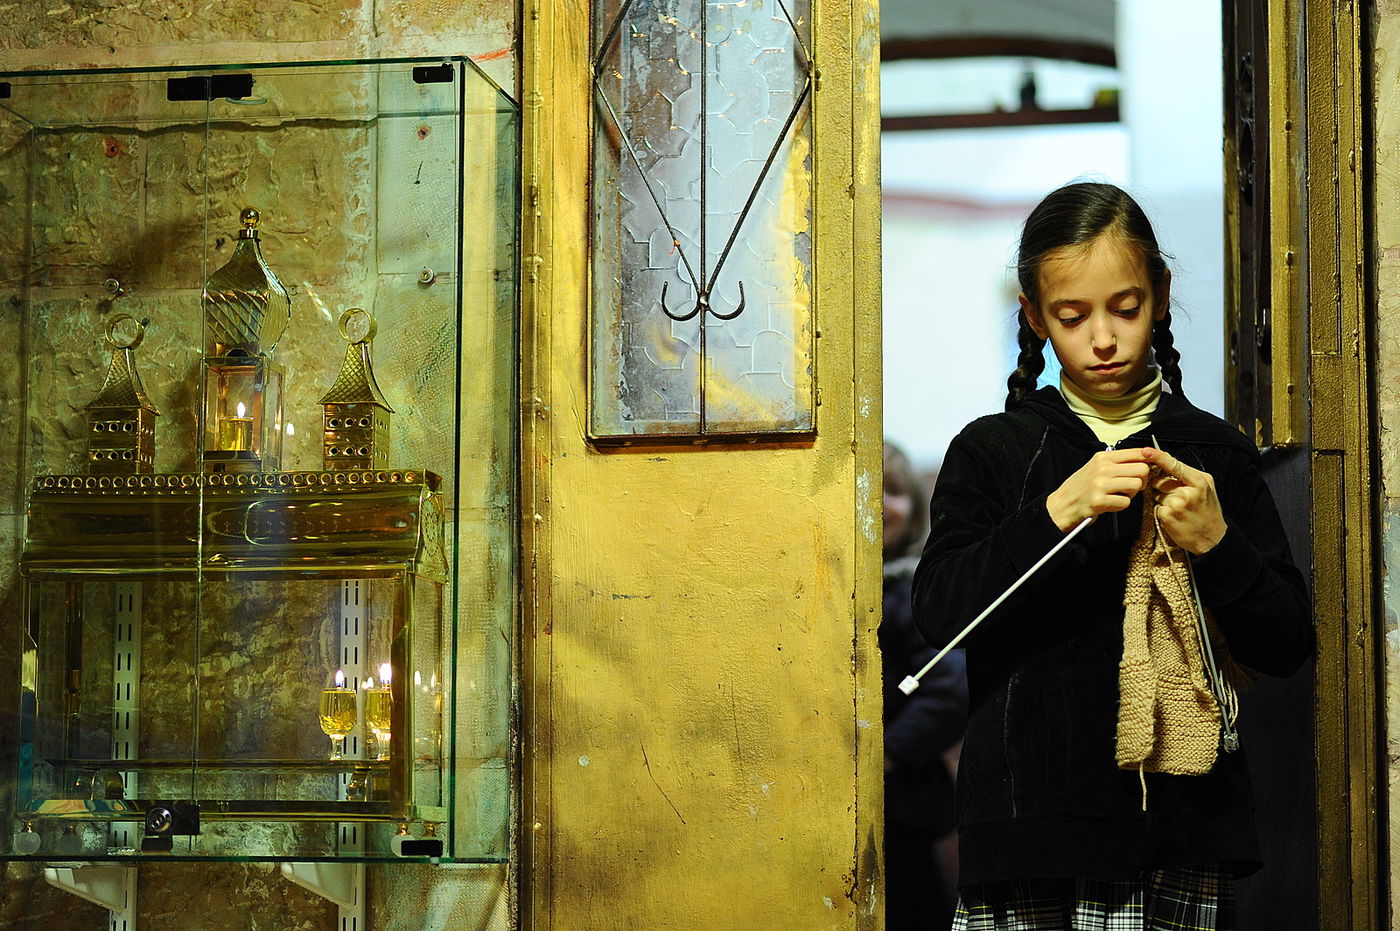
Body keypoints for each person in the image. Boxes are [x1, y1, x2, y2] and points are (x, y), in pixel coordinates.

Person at [910, 182, 1312, 931]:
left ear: (1160, 296)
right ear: (1033, 316)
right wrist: (1059, 508)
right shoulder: (993, 451)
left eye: (1125, 308)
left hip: (1180, 828)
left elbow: (1287, 644)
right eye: (1071, 316)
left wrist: (1216, 543)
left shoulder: (1213, 453)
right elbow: (940, 614)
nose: (1102, 338)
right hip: (1027, 827)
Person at [881, 440, 968, 930]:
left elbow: (950, 689)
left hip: (900, 803)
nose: (877, 503)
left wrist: (888, 754)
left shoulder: (911, 591)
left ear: (914, 512)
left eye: (893, 491)